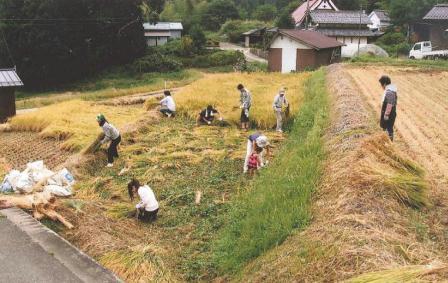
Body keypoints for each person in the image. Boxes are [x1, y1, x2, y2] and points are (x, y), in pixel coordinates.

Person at [379, 75, 398, 141]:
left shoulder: (389, 92)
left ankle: (390, 143)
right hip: (391, 113)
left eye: (381, 84)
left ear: (384, 84)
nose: (381, 86)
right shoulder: (391, 90)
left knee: (389, 129)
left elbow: (389, 104)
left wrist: (386, 115)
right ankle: (387, 142)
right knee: (387, 128)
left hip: (390, 115)